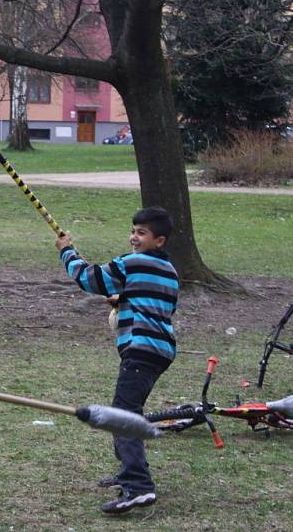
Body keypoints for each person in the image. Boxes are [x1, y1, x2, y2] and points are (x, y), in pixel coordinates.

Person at [55, 206, 179, 515]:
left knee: (123, 415)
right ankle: (129, 473)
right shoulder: (170, 272)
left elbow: (90, 278)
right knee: (125, 411)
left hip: (141, 349)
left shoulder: (133, 263)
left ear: (159, 240)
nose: (134, 237)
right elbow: (151, 302)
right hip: (160, 350)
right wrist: (122, 300)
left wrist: (67, 251)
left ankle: (138, 486)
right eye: (133, 230)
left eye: (142, 233)